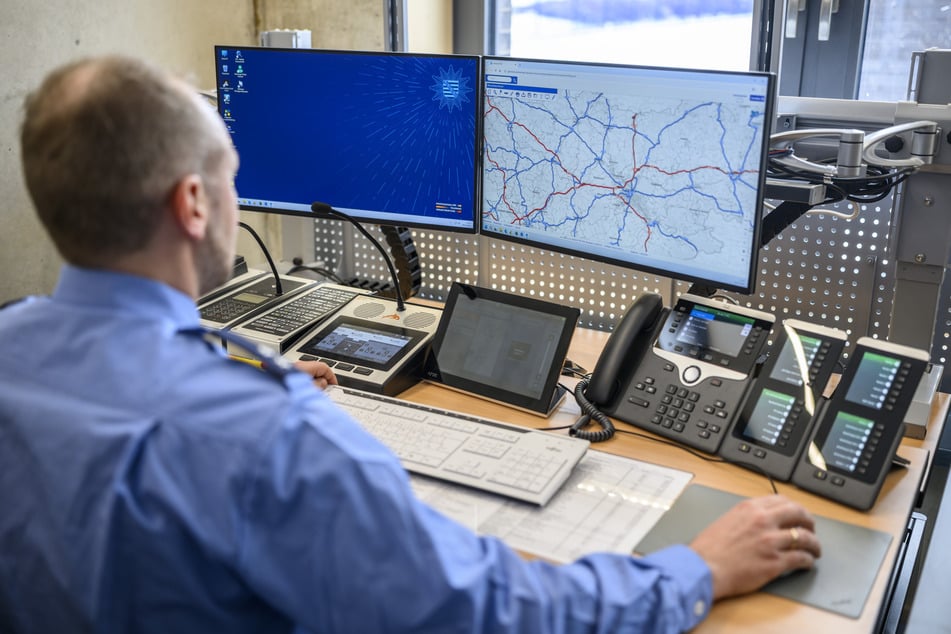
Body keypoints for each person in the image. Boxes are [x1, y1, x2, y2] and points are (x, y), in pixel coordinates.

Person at [0, 55, 820, 634]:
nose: (236, 190)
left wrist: (226, 367)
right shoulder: (272, 437)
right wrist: (697, 570)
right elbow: (491, 612)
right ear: (192, 203)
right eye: (230, 173)